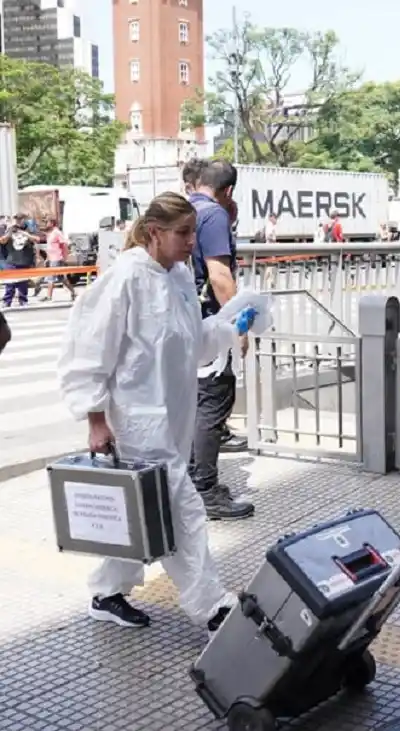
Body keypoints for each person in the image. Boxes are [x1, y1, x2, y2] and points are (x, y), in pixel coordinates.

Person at [57, 192, 258, 632]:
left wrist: (229, 327)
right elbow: (89, 351)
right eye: (183, 233)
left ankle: (107, 591)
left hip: (171, 416)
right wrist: (95, 419)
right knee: (182, 507)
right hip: (136, 419)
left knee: (140, 506)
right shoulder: (125, 278)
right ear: (154, 233)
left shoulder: (179, 276)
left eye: (192, 232)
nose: (191, 242)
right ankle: (212, 606)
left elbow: (190, 343)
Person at [188, 160, 254, 521]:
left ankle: (189, 485)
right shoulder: (213, 215)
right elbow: (219, 275)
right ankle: (205, 490)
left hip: (186, 324)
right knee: (213, 404)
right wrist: (237, 328)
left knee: (193, 405)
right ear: (228, 190)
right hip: (211, 327)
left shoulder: (185, 207)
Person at [40, 218, 76, 303]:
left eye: (47, 222)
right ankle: (74, 292)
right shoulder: (50, 233)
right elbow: (50, 247)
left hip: (56, 258)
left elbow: (64, 244)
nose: (46, 224)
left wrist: (64, 256)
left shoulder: (57, 232)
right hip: (51, 258)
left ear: (52, 223)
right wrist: (47, 258)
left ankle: (49, 296)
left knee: (51, 277)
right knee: (62, 278)